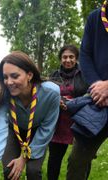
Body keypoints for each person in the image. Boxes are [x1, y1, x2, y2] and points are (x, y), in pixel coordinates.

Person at [0, 51, 60, 180]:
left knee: (33, 170)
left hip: (37, 132)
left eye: (14, 76)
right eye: (5, 77)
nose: (9, 82)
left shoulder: (51, 92)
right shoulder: (4, 96)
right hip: (14, 130)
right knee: (9, 170)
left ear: (29, 75)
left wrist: (23, 158)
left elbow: (47, 127)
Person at [66, 1, 108, 179]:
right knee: (77, 161)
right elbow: (85, 54)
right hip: (99, 100)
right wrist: (98, 87)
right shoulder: (95, 18)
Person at [47, 45, 88, 180]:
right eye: (64, 57)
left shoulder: (85, 74)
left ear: (76, 59)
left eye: (71, 57)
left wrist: (72, 103)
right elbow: (47, 94)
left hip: (79, 121)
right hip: (58, 124)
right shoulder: (54, 75)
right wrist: (56, 100)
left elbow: (90, 94)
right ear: (60, 59)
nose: (68, 60)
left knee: (81, 159)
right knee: (54, 159)